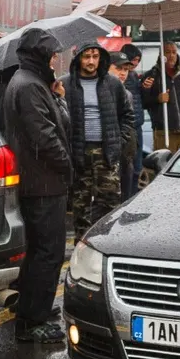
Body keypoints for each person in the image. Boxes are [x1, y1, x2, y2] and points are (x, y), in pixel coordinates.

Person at [1, 29, 73, 344]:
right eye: (52, 55)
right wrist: (66, 166)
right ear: (40, 56)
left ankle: (36, 311)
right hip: (42, 183)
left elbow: (55, 124)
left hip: (41, 180)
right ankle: (32, 322)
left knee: (41, 252)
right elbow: (44, 136)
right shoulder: (28, 86)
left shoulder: (34, 84)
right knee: (47, 252)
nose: (56, 60)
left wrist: (56, 96)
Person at [62, 42, 135, 239]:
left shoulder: (112, 83)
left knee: (110, 201)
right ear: (78, 59)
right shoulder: (66, 84)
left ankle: (106, 241)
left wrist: (119, 140)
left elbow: (127, 115)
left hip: (107, 152)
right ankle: (81, 244)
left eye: (95, 56)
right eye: (87, 57)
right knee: (80, 204)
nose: (91, 61)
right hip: (79, 152)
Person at [141, 42, 180, 152]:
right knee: (164, 163)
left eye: (174, 52)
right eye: (167, 52)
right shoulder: (151, 76)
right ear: (161, 55)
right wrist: (157, 99)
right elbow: (143, 103)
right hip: (163, 131)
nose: (171, 55)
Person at [108, 51, 141, 201]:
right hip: (109, 155)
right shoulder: (101, 92)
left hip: (126, 154)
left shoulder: (128, 94)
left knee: (126, 196)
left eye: (126, 70)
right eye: (118, 68)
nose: (122, 73)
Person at [118, 45, 146, 197]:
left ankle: (132, 198)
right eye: (133, 60)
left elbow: (141, 99)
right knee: (125, 170)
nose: (135, 64)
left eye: (137, 61)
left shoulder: (134, 76)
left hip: (137, 125)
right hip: (125, 128)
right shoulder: (115, 82)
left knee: (136, 168)